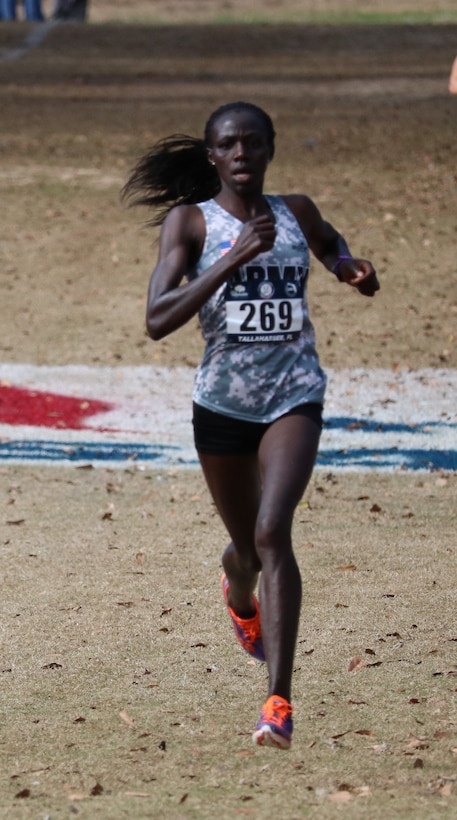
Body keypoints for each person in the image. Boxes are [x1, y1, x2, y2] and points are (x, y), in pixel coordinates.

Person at [122, 101, 379, 750]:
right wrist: (232, 259)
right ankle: (239, 594)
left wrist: (347, 267)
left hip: (293, 395)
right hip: (222, 407)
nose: (241, 155)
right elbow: (156, 319)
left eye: (253, 144)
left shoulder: (296, 212)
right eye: (228, 146)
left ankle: (278, 700)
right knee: (245, 549)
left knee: (273, 531)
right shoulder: (190, 223)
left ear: (269, 149)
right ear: (211, 156)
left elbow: (328, 244)